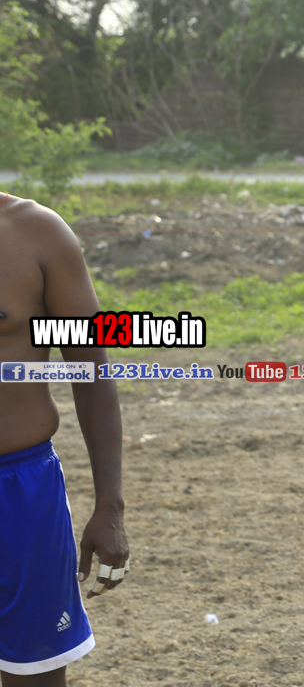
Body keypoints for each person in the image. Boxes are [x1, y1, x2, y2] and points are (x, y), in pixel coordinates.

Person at [0, 194, 130, 686]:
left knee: (33, 673)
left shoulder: (35, 233)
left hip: (20, 494)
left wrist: (109, 505)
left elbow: (91, 374)